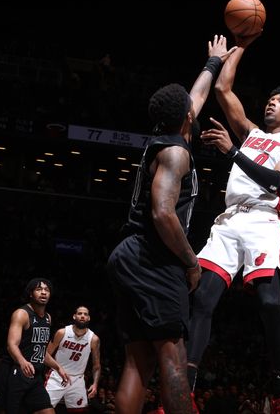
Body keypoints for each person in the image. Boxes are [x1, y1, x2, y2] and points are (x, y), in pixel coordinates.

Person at [107, 35, 236, 414]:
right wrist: (191, 262)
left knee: (137, 362)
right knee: (174, 358)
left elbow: (195, 96)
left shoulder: (165, 134)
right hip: (154, 259)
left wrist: (213, 62)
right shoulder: (176, 154)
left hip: (127, 256)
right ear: (188, 119)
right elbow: (163, 213)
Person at [186, 33, 280, 414]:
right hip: (229, 221)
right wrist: (241, 43)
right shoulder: (253, 133)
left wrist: (232, 152)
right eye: (270, 99)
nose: (272, 103)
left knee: (269, 303)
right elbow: (224, 87)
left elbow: (275, 182)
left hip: (263, 221)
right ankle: (183, 393)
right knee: (202, 301)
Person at [0, 278, 70, 414]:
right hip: (15, 372)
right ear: (31, 293)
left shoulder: (48, 318)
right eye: (39, 289)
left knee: (48, 412)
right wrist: (23, 362)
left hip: (35, 375)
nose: (43, 293)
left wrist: (58, 367)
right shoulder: (21, 314)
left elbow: (41, 351)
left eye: (46, 290)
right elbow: (11, 345)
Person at [45, 305, 102, 412]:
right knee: (43, 409)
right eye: (80, 313)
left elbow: (96, 365)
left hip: (77, 379)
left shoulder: (93, 339)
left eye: (85, 314)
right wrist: (58, 368)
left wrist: (95, 384)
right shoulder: (62, 332)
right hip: (57, 376)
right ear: (74, 316)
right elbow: (45, 355)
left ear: (89, 318)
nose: (83, 316)